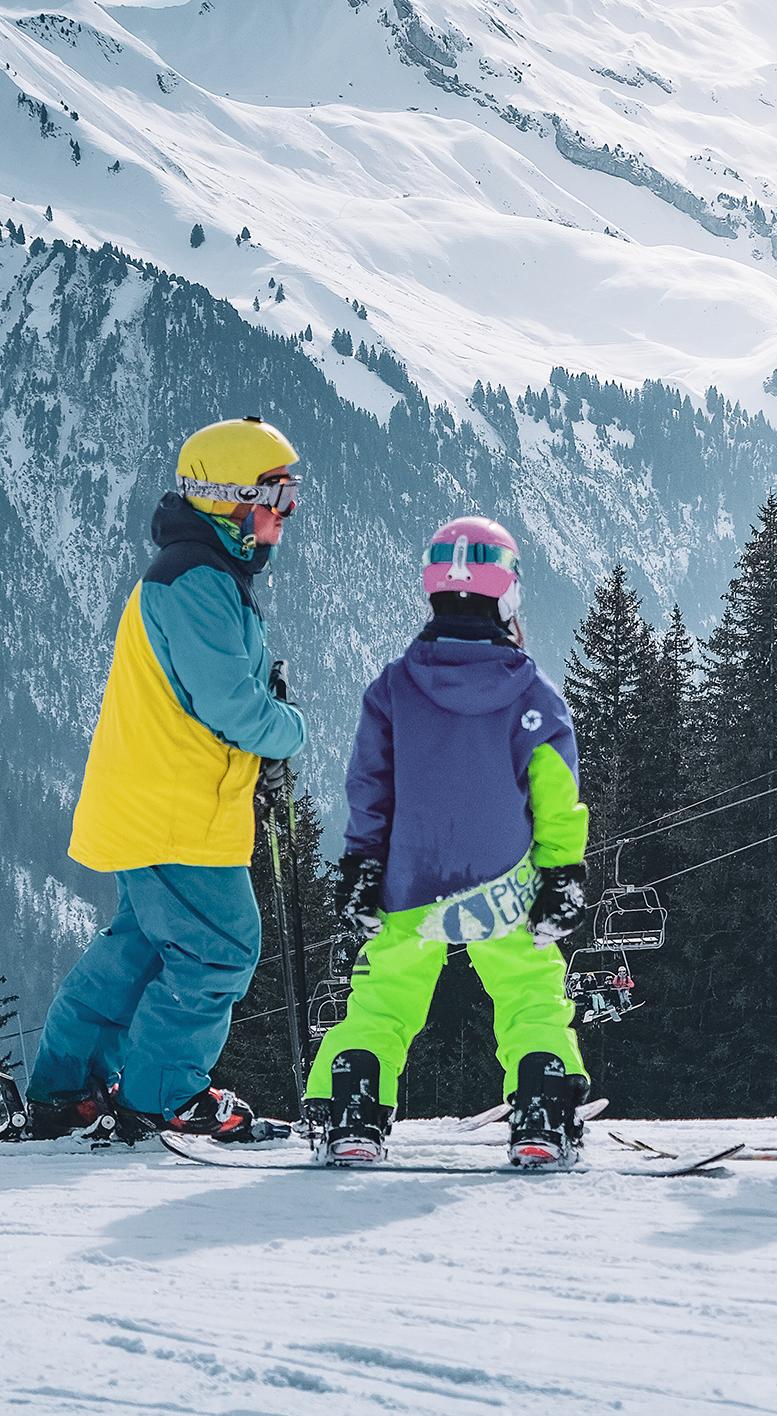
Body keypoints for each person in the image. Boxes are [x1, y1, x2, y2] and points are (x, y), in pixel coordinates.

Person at [17, 418, 306, 1143]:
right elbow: (231, 707)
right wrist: (288, 727)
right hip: (180, 812)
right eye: (276, 497)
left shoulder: (192, 574)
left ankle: (66, 1089)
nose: (285, 515)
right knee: (222, 947)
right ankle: (163, 1096)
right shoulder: (198, 583)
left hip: (152, 802)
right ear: (227, 500)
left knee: (139, 948)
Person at [306, 516, 591, 1167]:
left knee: (383, 995)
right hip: (504, 878)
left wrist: (360, 864)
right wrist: (561, 873)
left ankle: (352, 1110)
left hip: (414, 875)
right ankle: (542, 1115)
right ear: (508, 595)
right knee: (528, 991)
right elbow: (555, 799)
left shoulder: (394, 689)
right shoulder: (533, 695)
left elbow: (370, 788)